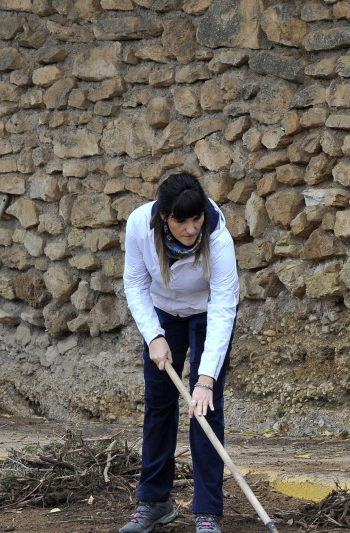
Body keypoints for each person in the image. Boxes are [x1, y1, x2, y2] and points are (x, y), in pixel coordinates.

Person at [120, 172, 240, 533]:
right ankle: (155, 502)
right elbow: (135, 282)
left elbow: (223, 305)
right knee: (159, 403)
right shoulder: (140, 226)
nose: (191, 229)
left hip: (207, 312)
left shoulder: (217, 236)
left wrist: (205, 380)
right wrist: (154, 335)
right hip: (162, 312)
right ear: (163, 218)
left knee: (204, 407)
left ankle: (207, 512)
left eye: (196, 219)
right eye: (181, 221)